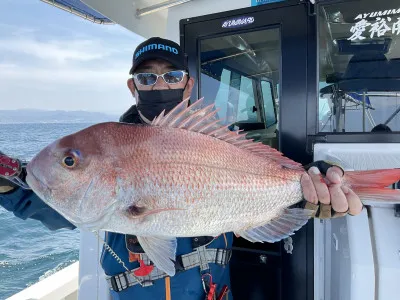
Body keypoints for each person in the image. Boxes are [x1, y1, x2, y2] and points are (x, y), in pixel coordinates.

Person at [0, 37, 363, 300]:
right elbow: (54, 204)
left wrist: (314, 180)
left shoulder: (222, 140)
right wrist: (8, 188)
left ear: (187, 84)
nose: (160, 84)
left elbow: (272, 175)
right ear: (133, 86)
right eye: (147, 77)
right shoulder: (108, 148)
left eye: (171, 75)